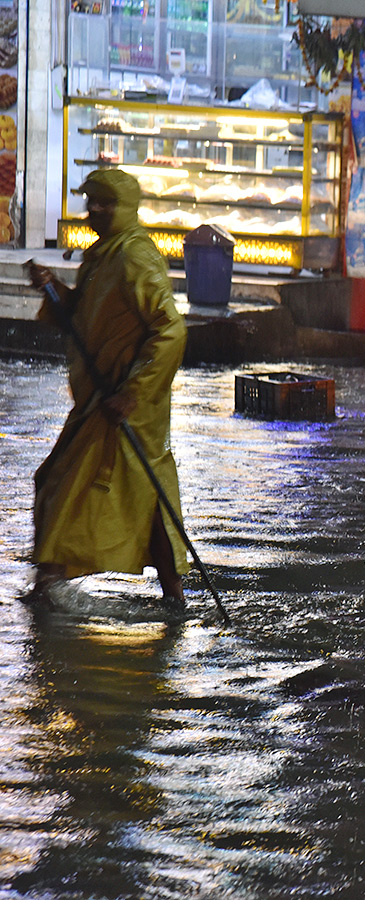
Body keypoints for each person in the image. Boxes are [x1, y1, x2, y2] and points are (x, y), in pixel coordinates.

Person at [25, 168, 190, 610]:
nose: (93, 210)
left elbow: (170, 330)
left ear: (125, 208)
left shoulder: (136, 257)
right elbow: (83, 316)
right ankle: (173, 597)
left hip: (124, 404)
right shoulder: (101, 256)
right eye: (90, 201)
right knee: (143, 493)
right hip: (102, 401)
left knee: (61, 485)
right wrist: (54, 290)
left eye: (103, 203)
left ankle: (49, 581)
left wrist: (134, 392)